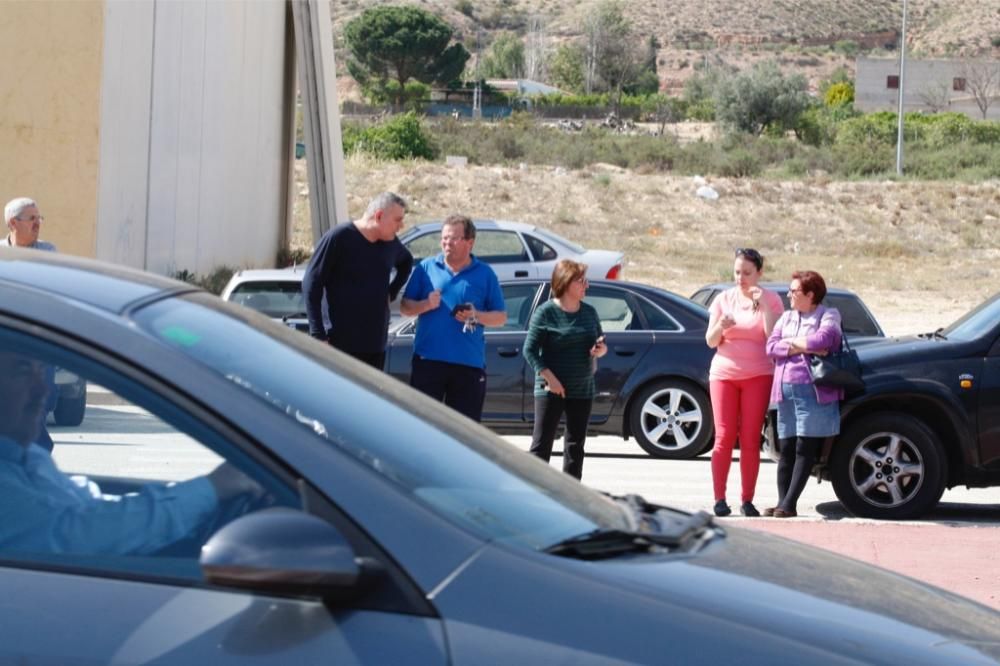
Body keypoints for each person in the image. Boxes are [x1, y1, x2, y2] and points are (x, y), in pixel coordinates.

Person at [0, 349, 264, 555]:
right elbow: (85, 534)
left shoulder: (27, 458)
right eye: (23, 371)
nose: (43, 390)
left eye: (41, 370)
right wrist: (211, 489)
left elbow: (88, 508)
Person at [400, 215, 506, 421]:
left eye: (454, 238)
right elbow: (405, 307)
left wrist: (477, 315)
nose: (447, 243)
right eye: (444, 238)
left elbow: (500, 317)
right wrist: (425, 304)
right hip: (428, 361)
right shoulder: (426, 268)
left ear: (470, 242)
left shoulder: (485, 274)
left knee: (464, 432)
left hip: (468, 365)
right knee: (422, 426)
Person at [705, 248, 783, 517]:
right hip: (724, 374)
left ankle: (747, 499)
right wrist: (721, 327)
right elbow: (710, 341)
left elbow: (772, 338)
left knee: (750, 438)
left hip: (758, 374)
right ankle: (719, 498)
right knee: (724, 436)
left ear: (759, 273)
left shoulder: (771, 300)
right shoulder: (723, 299)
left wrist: (762, 308)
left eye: (747, 273)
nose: (741, 278)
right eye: (737, 272)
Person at [302, 191, 413, 369]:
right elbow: (311, 285)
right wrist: (318, 334)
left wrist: (391, 292)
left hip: (375, 346)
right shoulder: (340, 237)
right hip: (339, 344)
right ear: (378, 216)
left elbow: (406, 262)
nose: (401, 226)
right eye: (397, 220)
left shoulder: (390, 244)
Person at [764, 271, 843, 518]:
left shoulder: (829, 315)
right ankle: (781, 502)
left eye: (794, 291)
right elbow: (770, 347)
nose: (788, 295)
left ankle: (789, 504)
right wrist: (804, 346)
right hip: (784, 391)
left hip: (813, 391)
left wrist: (791, 344)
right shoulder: (786, 317)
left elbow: (826, 338)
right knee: (785, 446)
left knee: (804, 447)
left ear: (810, 294)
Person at [523, 261, 607, 480]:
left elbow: (598, 341)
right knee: (541, 445)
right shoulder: (545, 312)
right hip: (550, 388)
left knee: (575, 446)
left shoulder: (589, 312)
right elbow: (529, 351)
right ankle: (533, 494)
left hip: (582, 388)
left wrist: (600, 350)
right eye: (581, 281)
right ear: (566, 282)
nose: (586, 285)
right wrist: (550, 379)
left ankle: (571, 497)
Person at [4, 197, 57, 451]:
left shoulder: (48, 253)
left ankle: (37, 460)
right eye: (31, 218)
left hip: (37, 346)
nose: (38, 223)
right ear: (13, 223)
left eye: (39, 218)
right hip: (6, 347)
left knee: (38, 406)